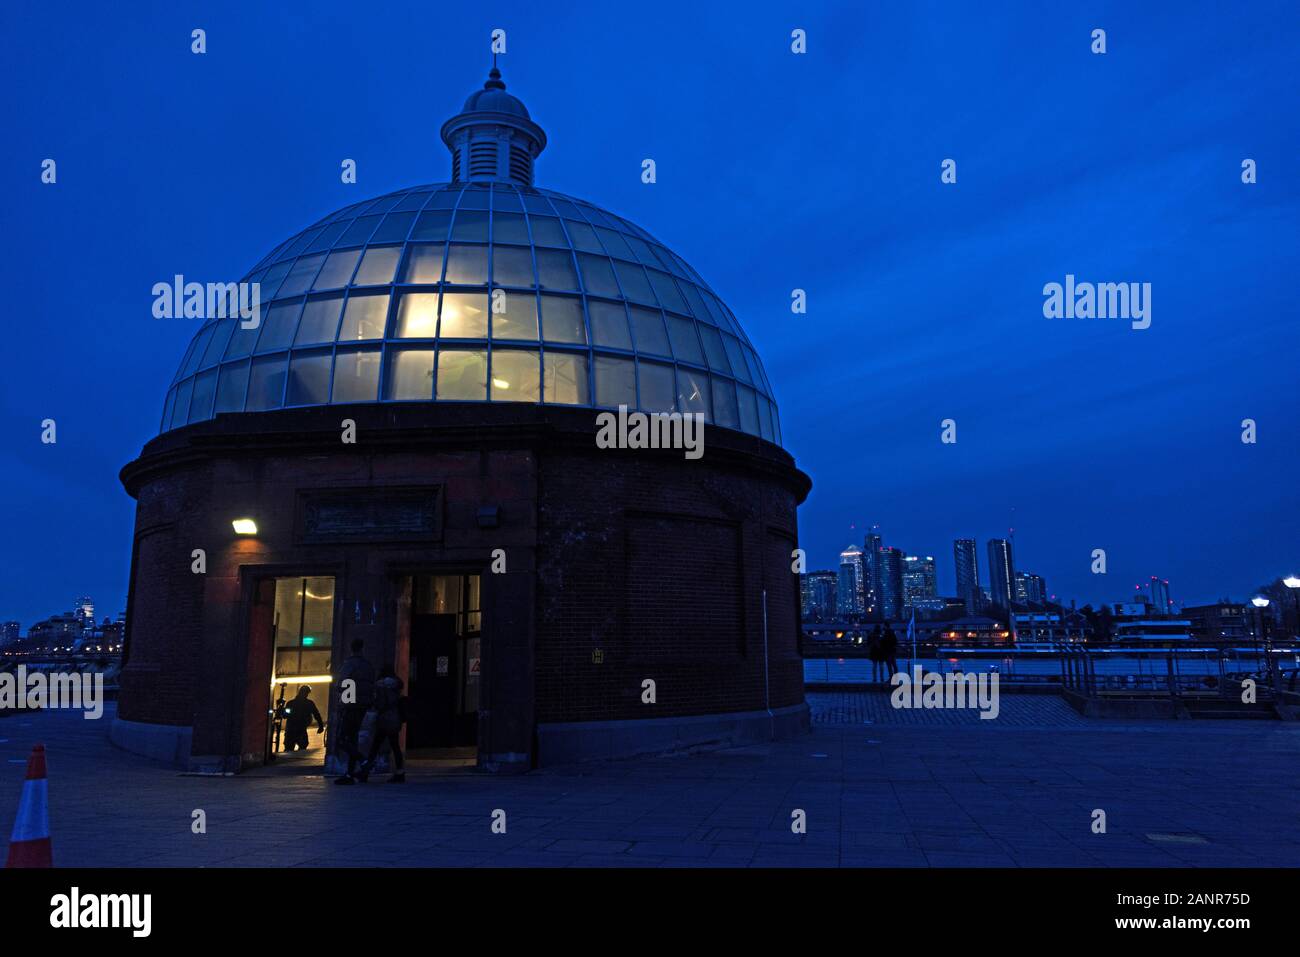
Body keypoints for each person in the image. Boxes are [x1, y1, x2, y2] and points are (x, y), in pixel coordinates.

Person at [334, 639, 376, 785]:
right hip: (364, 706)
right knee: (353, 739)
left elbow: (343, 684)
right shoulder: (368, 665)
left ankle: (363, 761)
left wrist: (345, 702)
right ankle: (350, 774)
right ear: (362, 648)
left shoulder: (350, 664)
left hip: (350, 705)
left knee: (341, 739)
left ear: (351, 649)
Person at [357, 665, 406, 784]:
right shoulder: (396, 683)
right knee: (395, 746)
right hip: (394, 717)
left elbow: (378, 703)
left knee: (375, 746)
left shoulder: (379, 685)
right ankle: (400, 772)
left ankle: (366, 771)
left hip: (383, 719)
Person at [281, 685, 324, 752]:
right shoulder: (309, 703)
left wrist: (283, 712)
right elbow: (316, 714)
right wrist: (320, 726)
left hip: (291, 730)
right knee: (302, 748)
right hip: (300, 729)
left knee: (289, 749)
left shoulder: (291, 703)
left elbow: (285, 716)